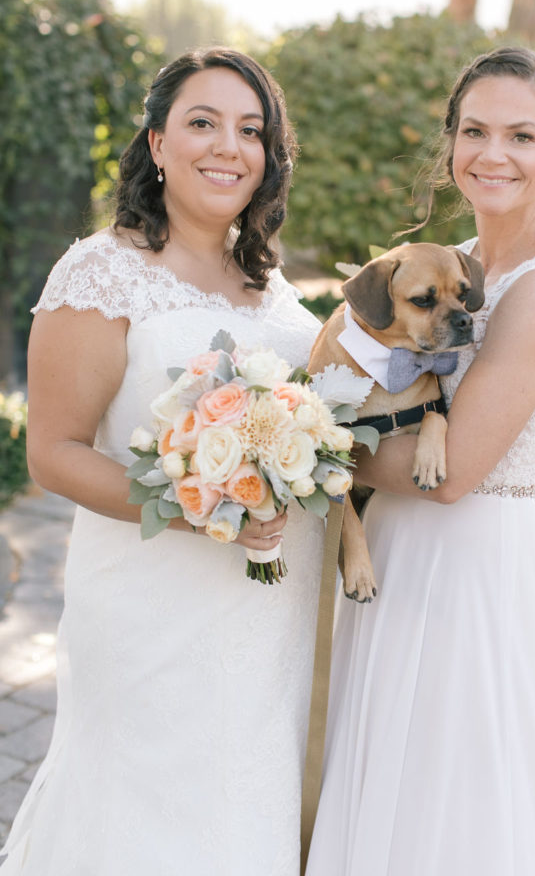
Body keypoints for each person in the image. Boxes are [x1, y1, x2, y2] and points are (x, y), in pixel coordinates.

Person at [1, 48, 324, 875]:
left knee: (244, 804)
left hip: (267, 611)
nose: (229, 146)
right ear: (155, 143)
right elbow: (55, 453)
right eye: (202, 123)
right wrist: (207, 503)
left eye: (251, 130)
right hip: (154, 603)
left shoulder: (267, 280)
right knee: (148, 809)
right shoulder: (101, 273)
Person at [306, 46, 535, 876]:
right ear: (450, 145)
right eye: (473, 131)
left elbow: (457, 472)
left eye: (521, 134)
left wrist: (303, 443)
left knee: (445, 794)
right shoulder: (455, 262)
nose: (492, 153)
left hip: (461, 561)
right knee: (383, 779)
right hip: (385, 552)